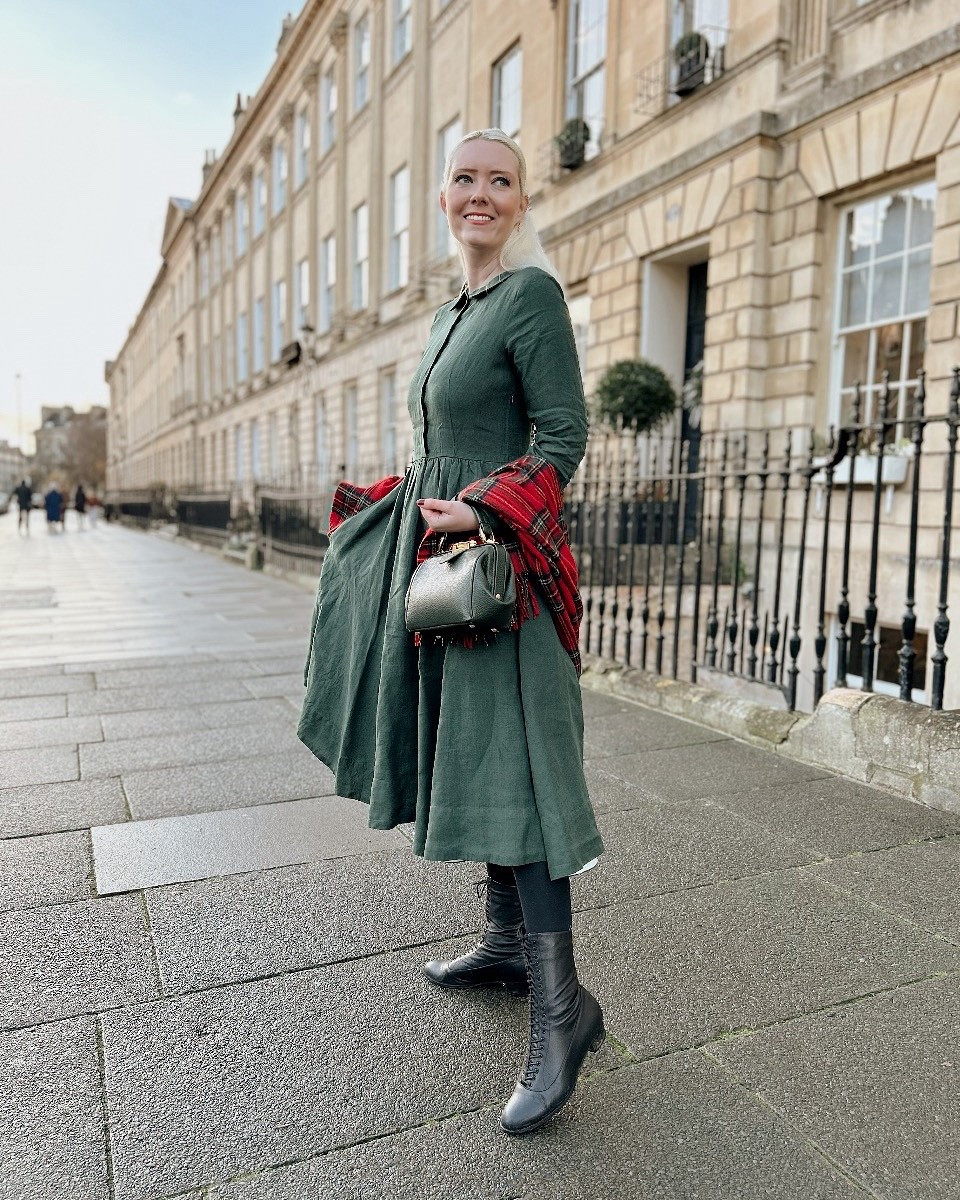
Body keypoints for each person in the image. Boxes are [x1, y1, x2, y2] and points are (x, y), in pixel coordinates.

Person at [299, 129, 604, 1136]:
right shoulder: (450, 315)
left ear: (521, 201)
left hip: (501, 581)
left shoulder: (531, 298)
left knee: (516, 772)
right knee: (469, 756)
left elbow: (562, 438)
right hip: (444, 573)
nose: (482, 194)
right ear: (442, 197)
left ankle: (563, 1014)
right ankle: (509, 945)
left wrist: (479, 509)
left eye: (500, 181)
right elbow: (442, 441)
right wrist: (399, 503)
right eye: (466, 179)